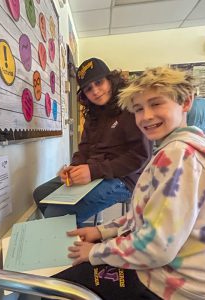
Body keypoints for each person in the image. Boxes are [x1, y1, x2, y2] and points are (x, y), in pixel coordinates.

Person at [52, 67, 205, 299]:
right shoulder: (173, 148)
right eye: (138, 109)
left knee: (57, 285)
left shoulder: (180, 156)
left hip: (171, 284)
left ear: (186, 102)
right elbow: (144, 216)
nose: (146, 116)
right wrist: (101, 230)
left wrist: (96, 251)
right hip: (166, 268)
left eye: (156, 104)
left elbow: (157, 248)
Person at [33, 57, 152, 228]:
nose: (95, 91)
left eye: (99, 82)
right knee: (41, 194)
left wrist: (92, 171)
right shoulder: (92, 113)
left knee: (56, 213)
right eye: (88, 89)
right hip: (95, 173)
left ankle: (77, 247)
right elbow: (84, 149)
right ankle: (75, 239)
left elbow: (140, 157)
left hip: (124, 179)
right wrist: (74, 167)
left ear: (110, 80)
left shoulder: (131, 107)